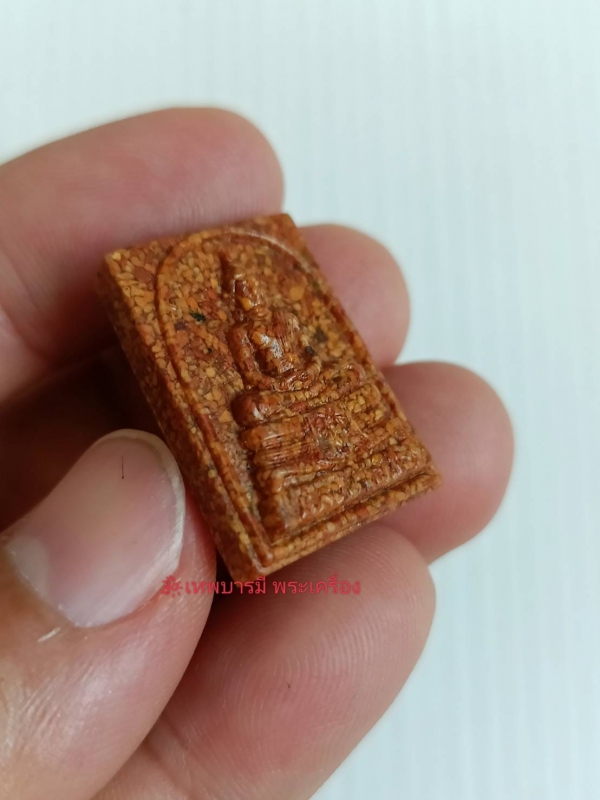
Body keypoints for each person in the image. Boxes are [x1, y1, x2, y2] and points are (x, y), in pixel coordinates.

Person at [0, 108, 513, 799]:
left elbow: (303, 359)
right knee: (254, 413)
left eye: (248, 291)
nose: (247, 302)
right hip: (266, 407)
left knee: (318, 407)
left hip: (304, 394)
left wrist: (304, 379)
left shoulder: (280, 314)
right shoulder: (240, 333)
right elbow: (249, 380)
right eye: (238, 296)